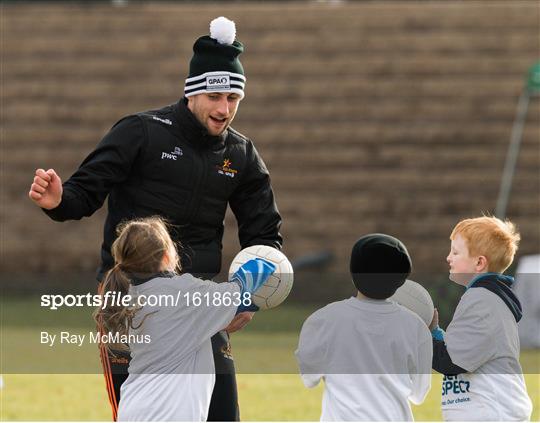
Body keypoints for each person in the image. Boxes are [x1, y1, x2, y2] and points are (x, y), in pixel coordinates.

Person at [28, 16, 282, 421]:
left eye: (234, 99)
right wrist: (60, 200)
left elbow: (264, 236)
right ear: (193, 92)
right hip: (128, 304)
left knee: (221, 413)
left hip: (196, 305)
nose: (225, 108)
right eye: (216, 96)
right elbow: (83, 194)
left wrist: (249, 299)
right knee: (141, 411)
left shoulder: (241, 155)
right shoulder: (141, 132)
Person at [94, 217, 275, 421]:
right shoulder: (185, 294)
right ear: (166, 256)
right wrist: (270, 255)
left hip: (132, 409)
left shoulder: (128, 294)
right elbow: (253, 279)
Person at [295, 234, 432, 421]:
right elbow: (418, 395)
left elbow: (309, 379)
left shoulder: (323, 320)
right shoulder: (416, 326)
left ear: (353, 272)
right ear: (401, 280)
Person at [429, 216, 533, 421]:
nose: (448, 257)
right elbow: (462, 348)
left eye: (455, 252)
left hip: (490, 413)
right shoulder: (483, 298)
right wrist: (435, 332)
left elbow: (451, 362)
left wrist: (422, 335)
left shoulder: (483, 300)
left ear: (479, 263)